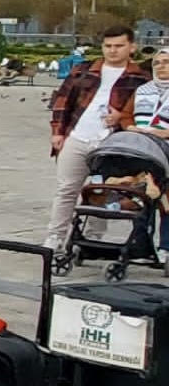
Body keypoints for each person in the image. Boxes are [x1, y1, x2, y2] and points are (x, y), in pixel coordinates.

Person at [42, 25, 146, 251]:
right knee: (67, 189)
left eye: (119, 46)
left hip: (112, 143)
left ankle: (92, 238)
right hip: (77, 137)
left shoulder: (140, 79)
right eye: (108, 46)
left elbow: (145, 115)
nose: (113, 51)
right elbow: (62, 101)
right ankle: (55, 236)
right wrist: (57, 132)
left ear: (132, 47)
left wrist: (122, 117)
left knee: (102, 191)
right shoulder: (84, 70)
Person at [129, 48, 169, 139]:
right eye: (156, 63)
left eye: (166, 62)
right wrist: (130, 127)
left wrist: (166, 133)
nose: (160, 66)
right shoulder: (143, 90)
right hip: (140, 140)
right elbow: (126, 115)